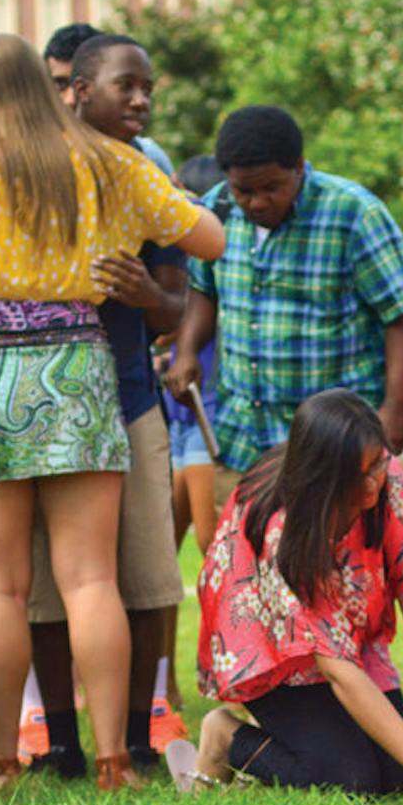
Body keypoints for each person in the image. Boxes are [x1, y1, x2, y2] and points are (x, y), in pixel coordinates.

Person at [0, 33, 224, 792]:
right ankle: (114, 760)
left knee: (1, 586)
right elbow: (212, 237)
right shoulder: (107, 160)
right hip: (77, 363)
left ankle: (1, 763)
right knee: (89, 580)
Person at [172, 389, 403, 802]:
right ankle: (226, 737)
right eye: (366, 471)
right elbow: (337, 671)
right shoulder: (283, 534)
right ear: (327, 477)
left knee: (398, 775)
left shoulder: (385, 475)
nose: (380, 478)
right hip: (274, 652)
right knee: (347, 777)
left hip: (348, 634)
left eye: (380, 463)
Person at [24, 33, 191, 778]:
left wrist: (147, 295)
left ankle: (135, 734)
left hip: (128, 399)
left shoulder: (149, 172)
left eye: (147, 87)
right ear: (77, 90)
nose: (142, 100)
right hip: (44, 408)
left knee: (149, 577)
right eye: (128, 85)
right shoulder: (25, 169)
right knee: (45, 587)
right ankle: (60, 738)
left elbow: (178, 305)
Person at [163, 105, 403, 514]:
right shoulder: (218, 208)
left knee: (340, 569)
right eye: (243, 190)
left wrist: (395, 407)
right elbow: (203, 288)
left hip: (336, 446)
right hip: (244, 439)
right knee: (249, 569)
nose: (257, 202)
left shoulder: (354, 213)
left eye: (271, 186)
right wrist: (187, 351)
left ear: (299, 167)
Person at [165, 154, 228, 557]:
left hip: (211, 415)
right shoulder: (178, 263)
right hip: (180, 418)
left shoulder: (216, 261)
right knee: (160, 552)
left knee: (213, 543)